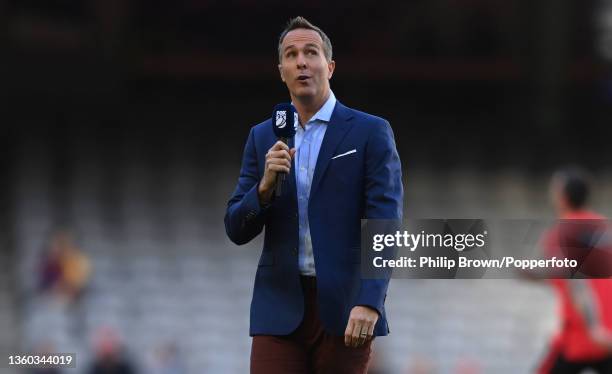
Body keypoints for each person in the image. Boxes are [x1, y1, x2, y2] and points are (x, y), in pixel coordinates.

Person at [224, 16, 403, 373]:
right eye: (291, 55)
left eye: (311, 52)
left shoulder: (370, 132)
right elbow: (236, 228)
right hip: (278, 307)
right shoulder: (263, 137)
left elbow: (384, 224)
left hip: (345, 309)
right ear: (281, 71)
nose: (301, 61)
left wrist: (371, 301)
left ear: (330, 66)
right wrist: (263, 189)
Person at [537, 168, 612, 374]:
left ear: (562, 197)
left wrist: (593, 327)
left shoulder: (561, 233)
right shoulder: (603, 228)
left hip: (581, 335)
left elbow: (577, 282)